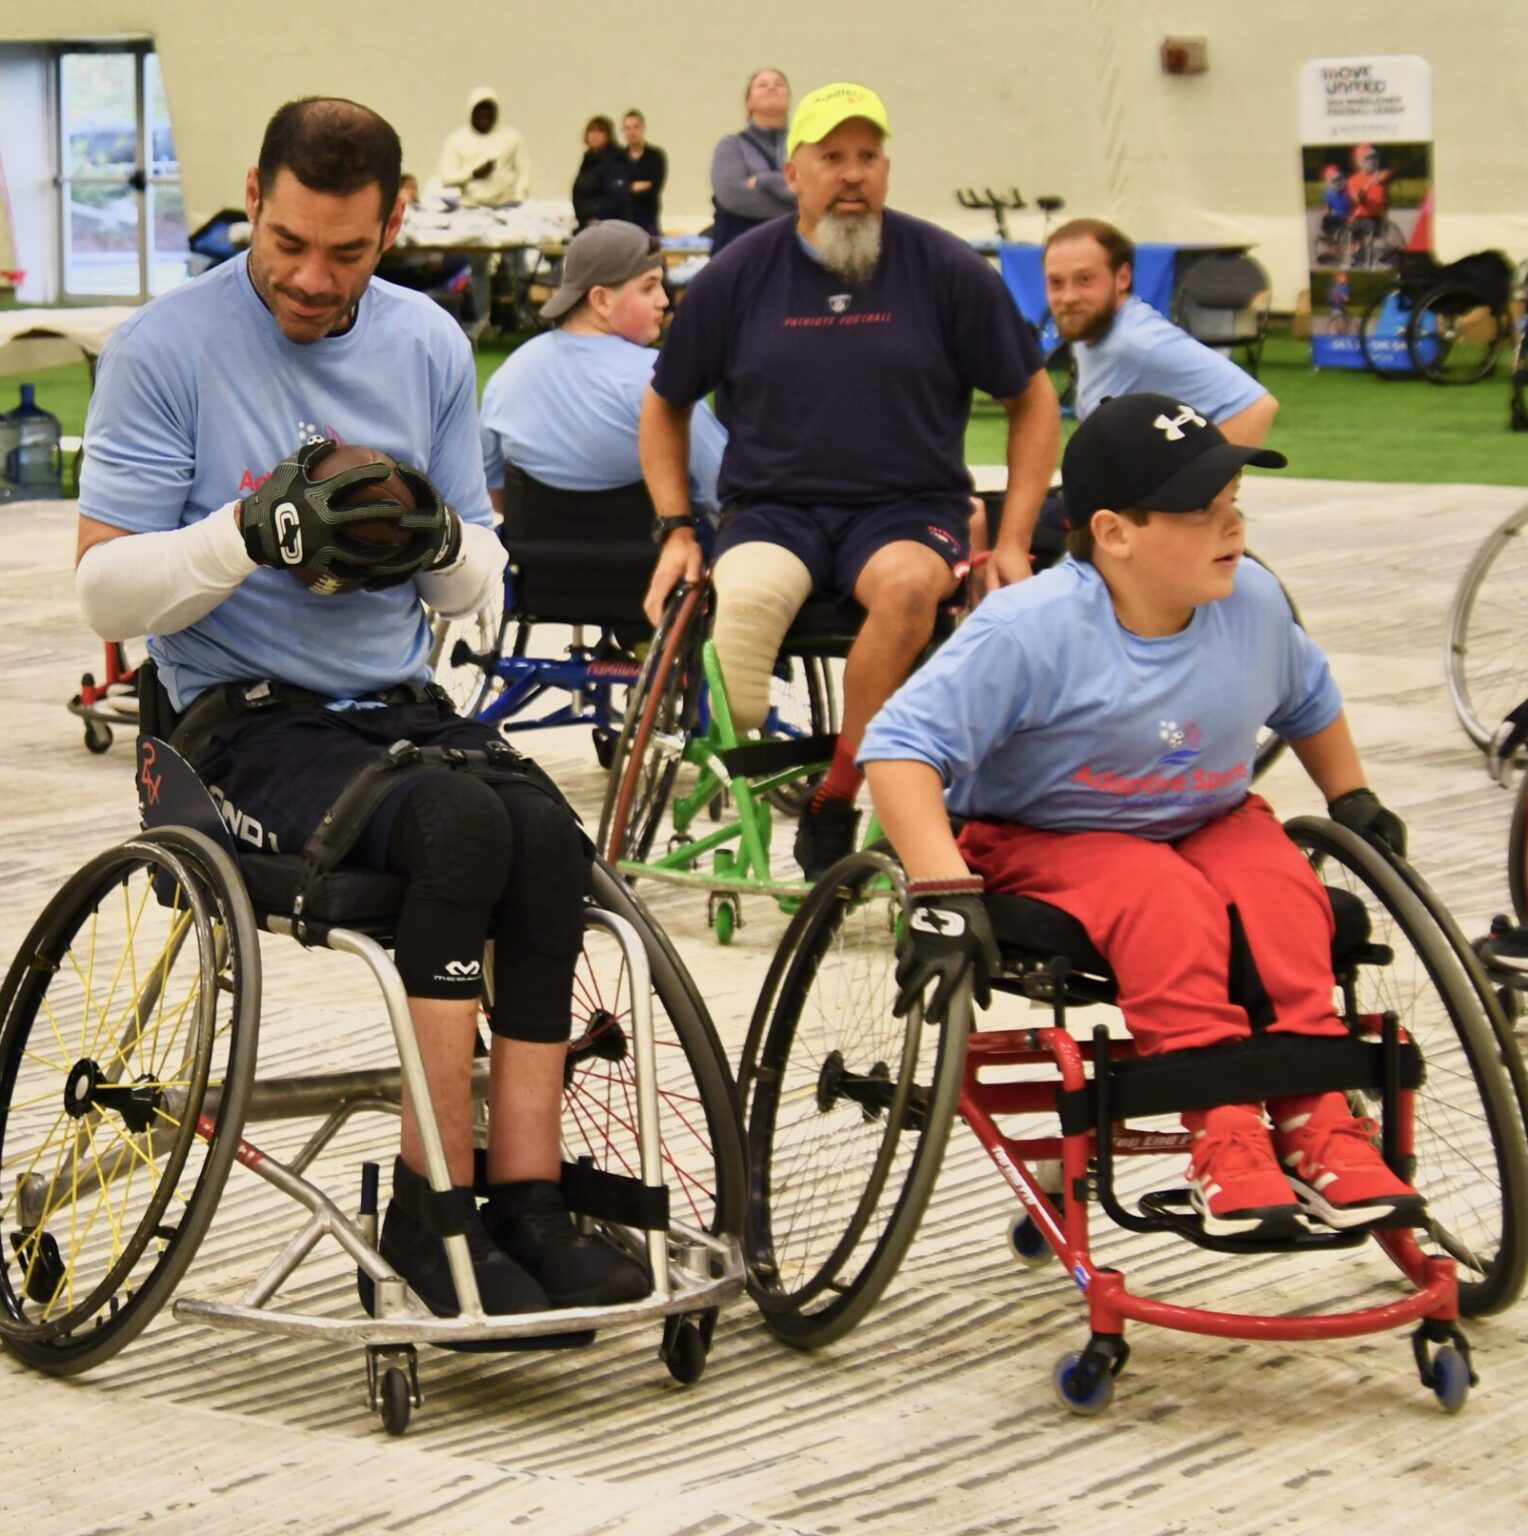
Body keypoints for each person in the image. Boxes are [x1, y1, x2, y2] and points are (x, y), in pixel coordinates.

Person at [74, 96, 644, 1322]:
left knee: (546, 835)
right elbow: (101, 588)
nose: (310, 277)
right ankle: (432, 1210)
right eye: (286, 242)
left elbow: (480, 579)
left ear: (395, 224)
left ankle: (528, 1198)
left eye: (346, 251)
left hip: (394, 707)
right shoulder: (163, 349)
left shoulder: (427, 342)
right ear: (252, 199)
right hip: (235, 724)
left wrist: (434, 537)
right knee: (458, 829)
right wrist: (244, 534)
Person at [860, 392, 1423, 1240]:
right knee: (1164, 898)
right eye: (1201, 511)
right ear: (1114, 533)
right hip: (1045, 831)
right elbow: (899, 747)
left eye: (1234, 502)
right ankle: (1222, 1131)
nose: (1232, 526)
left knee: (1281, 891)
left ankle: (1318, 1117)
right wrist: (941, 889)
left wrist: (1352, 797)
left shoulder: (1253, 601)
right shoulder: (1028, 629)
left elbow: (1308, 699)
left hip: (1208, 813)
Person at [642, 81, 1058, 880]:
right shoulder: (739, 274)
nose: (853, 173)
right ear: (793, 173)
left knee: (907, 592)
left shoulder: (944, 267)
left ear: (887, 170)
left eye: (868, 156)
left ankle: (836, 794)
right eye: (832, 156)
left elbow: (1032, 398)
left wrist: (1011, 540)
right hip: (773, 510)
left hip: (908, 508)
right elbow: (664, 406)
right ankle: (750, 774)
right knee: (746, 606)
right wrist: (676, 528)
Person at [480, 220, 724, 516]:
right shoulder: (661, 381)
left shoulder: (509, 375)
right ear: (601, 300)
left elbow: (489, 494)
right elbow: (726, 488)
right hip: (660, 544)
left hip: (531, 545)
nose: (664, 300)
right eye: (649, 288)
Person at [1043, 218, 1278, 444]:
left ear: (1122, 277)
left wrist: (1205, 472)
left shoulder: (1138, 343)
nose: (1068, 297)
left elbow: (1255, 405)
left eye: (1085, 279)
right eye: (1056, 282)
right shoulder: (1089, 328)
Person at [708, 68, 795, 253]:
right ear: (749, 102)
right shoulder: (731, 145)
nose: (772, 87)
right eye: (762, 85)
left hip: (793, 251)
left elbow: (817, 193)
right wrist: (796, 202)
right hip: (743, 253)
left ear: (789, 99)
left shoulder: (806, 147)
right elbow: (733, 197)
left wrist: (764, 180)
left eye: (779, 84)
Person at [437, 86, 530, 206]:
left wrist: (520, 199)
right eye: (480, 112)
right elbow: (446, 178)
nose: (485, 117)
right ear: (471, 113)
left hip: (506, 206)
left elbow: (524, 173)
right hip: (469, 207)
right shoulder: (456, 140)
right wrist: (473, 173)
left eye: (489, 112)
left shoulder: (512, 138)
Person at [571, 115, 631, 231]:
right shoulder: (588, 159)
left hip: (609, 226)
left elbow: (616, 196)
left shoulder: (617, 159)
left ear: (608, 136)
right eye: (591, 131)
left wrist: (599, 217)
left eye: (600, 131)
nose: (595, 135)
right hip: (586, 224)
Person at [620, 110, 667, 237]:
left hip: (648, 219)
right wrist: (634, 186)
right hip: (623, 220)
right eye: (628, 128)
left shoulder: (656, 156)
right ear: (623, 131)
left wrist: (627, 187)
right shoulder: (618, 158)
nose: (632, 132)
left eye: (636, 127)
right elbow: (615, 189)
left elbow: (655, 187)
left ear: (643, 129)